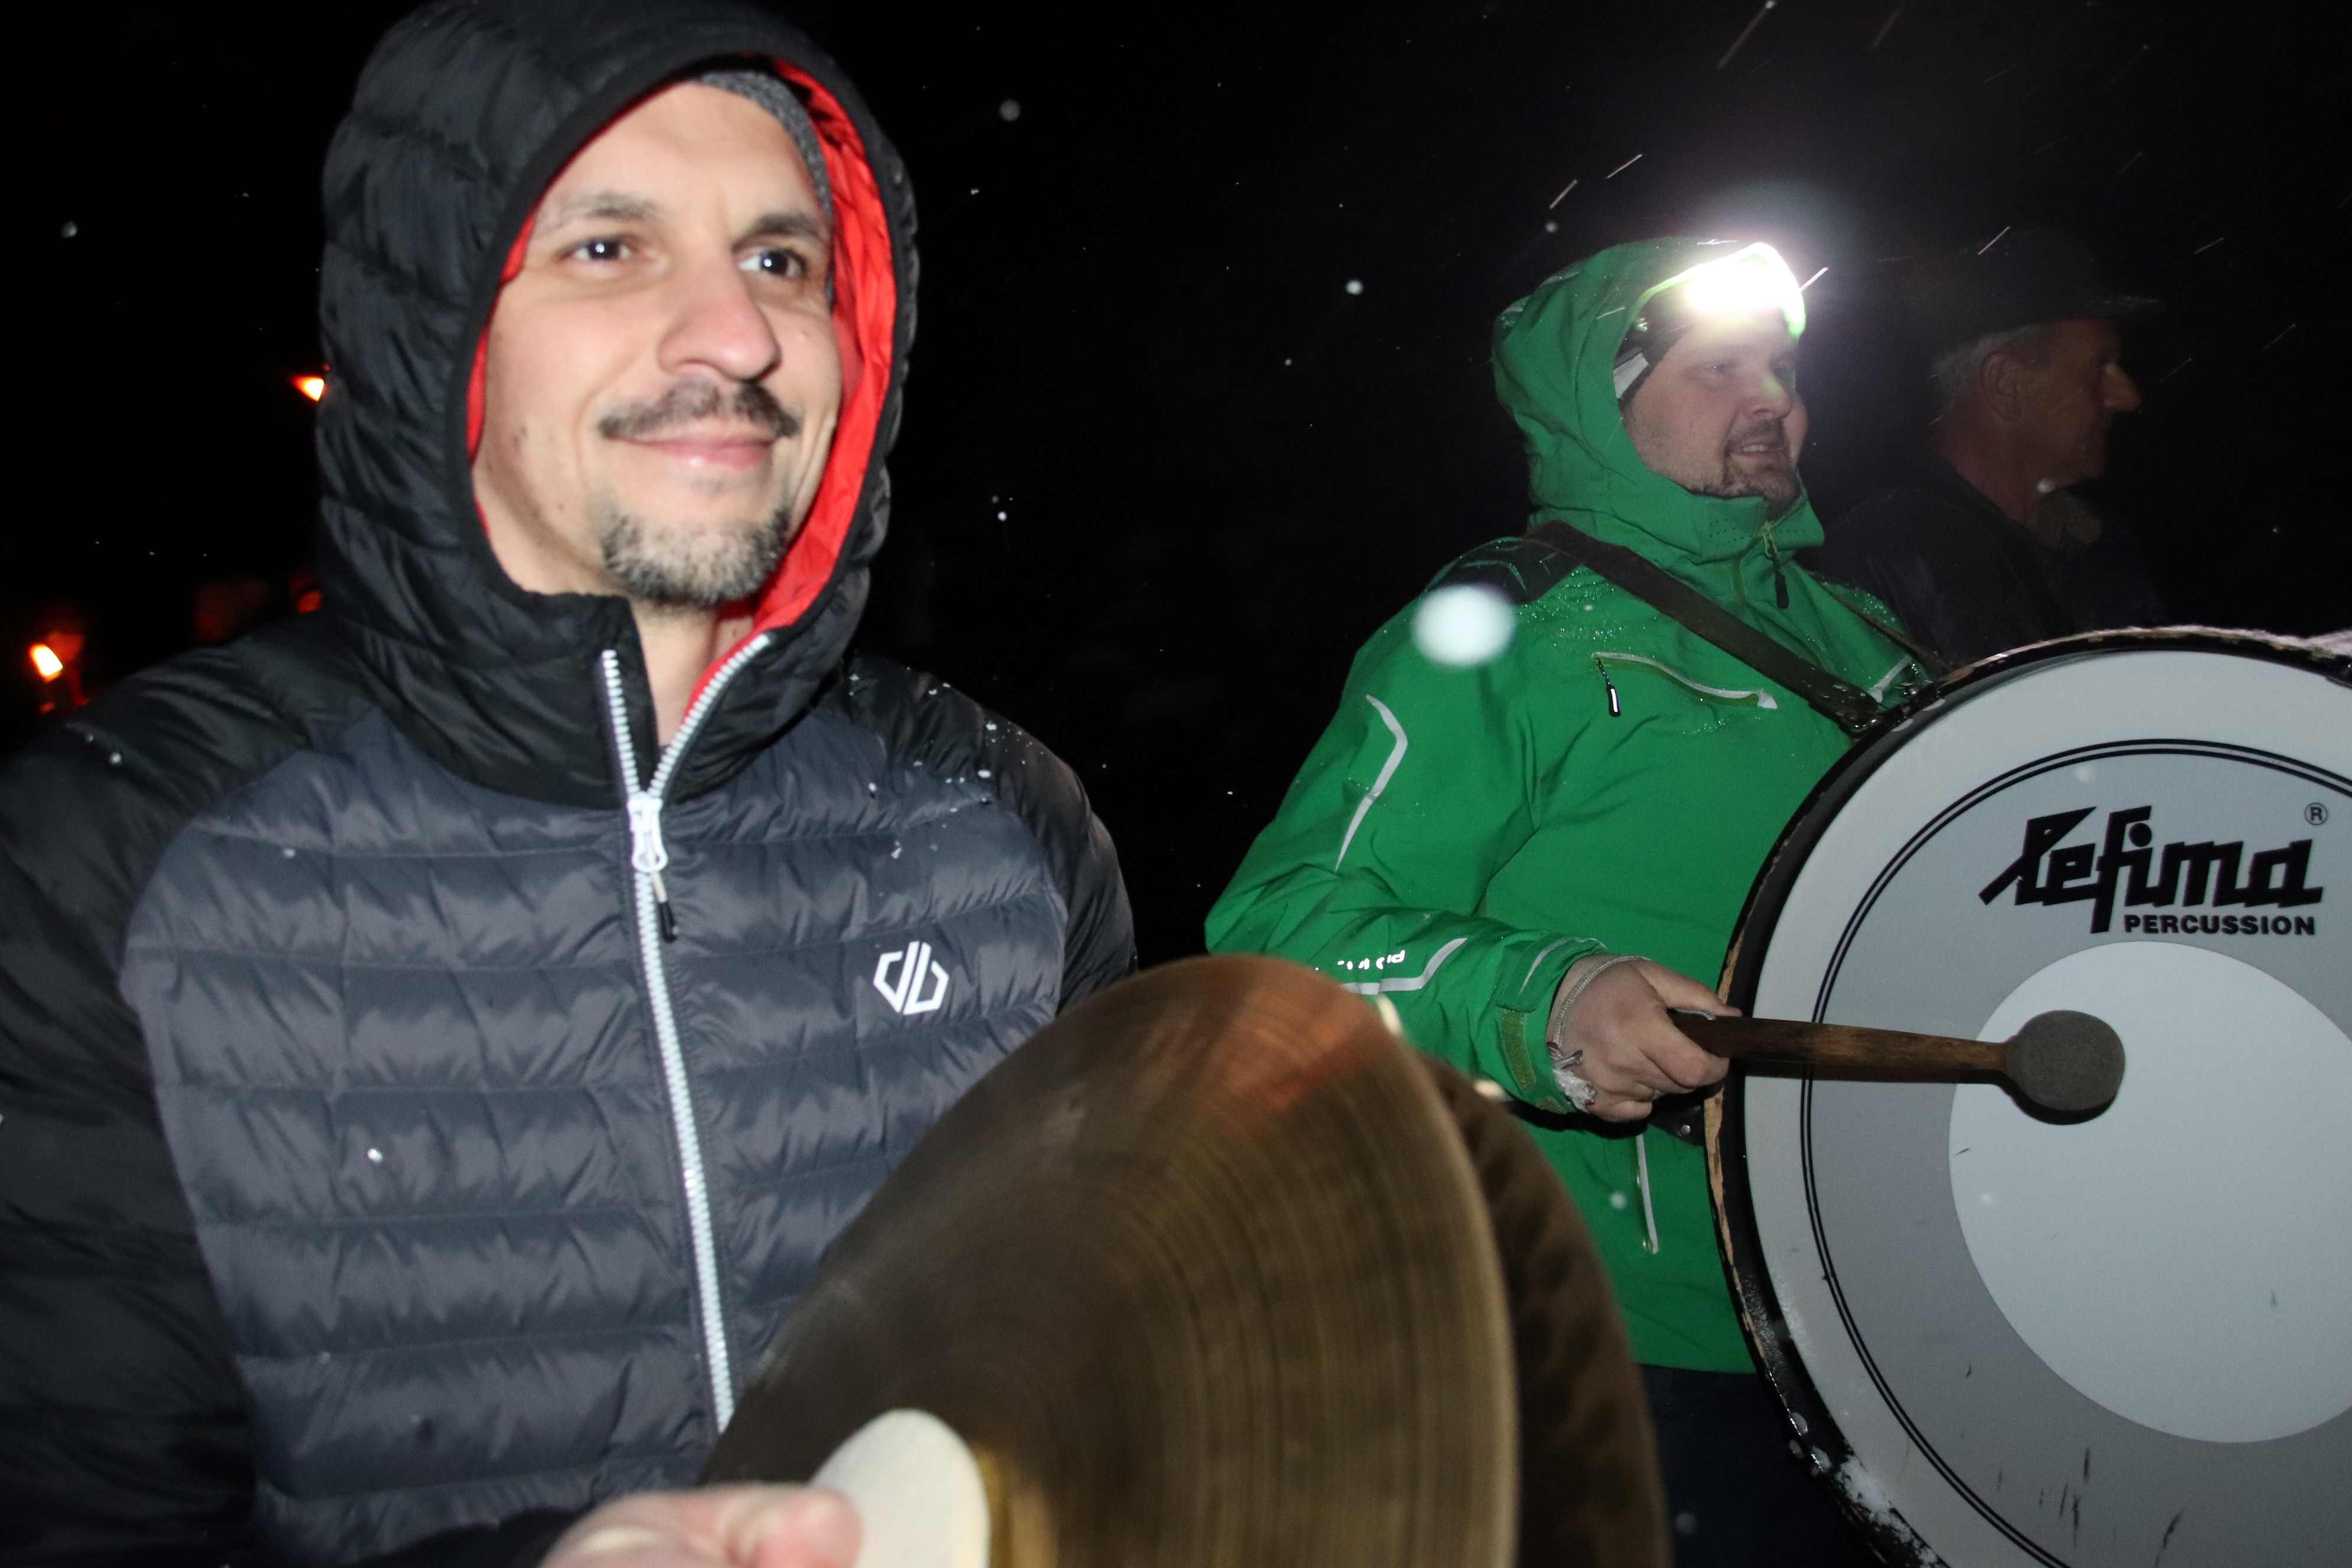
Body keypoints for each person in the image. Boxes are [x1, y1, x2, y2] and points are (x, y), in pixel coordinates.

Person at [0, 2, 1132, 1564]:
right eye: (610, 249)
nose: (736, 335)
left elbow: (1116, 1408)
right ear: (438, 331)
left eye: (781, 259)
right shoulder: (114, 863)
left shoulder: (1001, 832)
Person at [1208, 239, 1925, 1565]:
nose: (1771, 398)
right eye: (1719, 366)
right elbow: (1281, 930)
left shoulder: (1868, 638)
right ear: (1601, 399)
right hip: (1630, 1342)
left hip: (1894, 1328)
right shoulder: (1507, 633)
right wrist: (1547, 1000)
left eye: (1781, 367)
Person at [1815, 228, 2168, 666]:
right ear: (2006, 384)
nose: (2127, 396)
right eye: (2099, 368)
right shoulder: (1883, 564)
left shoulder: (2100, 546)